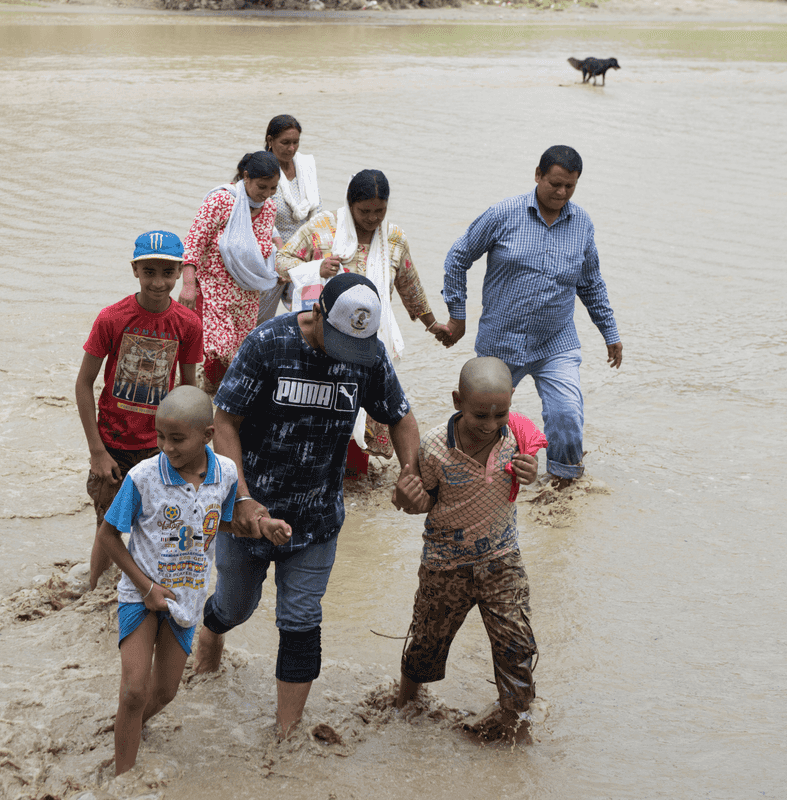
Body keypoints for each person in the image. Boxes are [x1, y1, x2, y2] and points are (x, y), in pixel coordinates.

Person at [192, 272, 423, 738]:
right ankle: (211, 637)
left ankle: (285, 735)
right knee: (235, 606)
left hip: (316, 519)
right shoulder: (268, 344)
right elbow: (224, 420)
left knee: (301, 618)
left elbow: (400, 416)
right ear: (317, 312)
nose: (345, 357)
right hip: (249, 514)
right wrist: (241, 498)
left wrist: (409, 472)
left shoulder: (369, 356)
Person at [90, 385, 292, 775]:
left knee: (165, 692)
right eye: (160, 436)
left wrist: (264, 527)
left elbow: (224, 522)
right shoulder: (143, 477)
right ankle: (121, 778)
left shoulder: (226, 474)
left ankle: (126, 729)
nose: (166, 446)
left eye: (177, 439)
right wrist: (147, 588)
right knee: (135, 690)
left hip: (187, 596)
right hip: (141, 592)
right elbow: (107, 536)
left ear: (208, 435)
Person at [440, 145, 623, 490]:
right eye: (555, 183)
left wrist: (610, 333)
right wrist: (458, 316)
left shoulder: (581, 223)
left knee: (566, 413)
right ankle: (471, 480)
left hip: (555, 342)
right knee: (482, 419)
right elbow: (458, 257)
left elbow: (591, 283)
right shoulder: (503, 214)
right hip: (501, 342)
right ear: (537, 175)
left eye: (570, 186)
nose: (561, 192)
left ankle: (562, 488)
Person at [393, 357, 546, 742]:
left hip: (501, 559)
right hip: (446, 564)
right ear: (458, 401)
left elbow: (531, 467)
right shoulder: (432, 447)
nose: (492, 425)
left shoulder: (518, 437)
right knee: (427, 640)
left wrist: (531, 473)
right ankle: (405, 704)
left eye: (501, 414)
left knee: (516, 643)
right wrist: (407, 498)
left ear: (512, 399)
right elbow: (423, 502)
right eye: (480, 415)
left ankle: (516, 721)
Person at [278, 169, 450, 472]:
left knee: (362, 403)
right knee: (323, 402)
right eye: (365, 211)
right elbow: (282, 260)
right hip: (325, 338)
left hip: (369, 341)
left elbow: (410, 285)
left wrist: (432, 324)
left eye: (380, 211)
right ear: (349, 204)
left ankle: (354, 472)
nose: (372, 218)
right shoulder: (322, 228)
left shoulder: (394, 239)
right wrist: (318, 267)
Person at [77, 231, 202, 582]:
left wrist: (189, 449)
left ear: (179, 272)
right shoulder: (112, 318)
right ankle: (94, 594)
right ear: (135, 270)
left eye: (167, 273)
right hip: (113, 447)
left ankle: (140, 590)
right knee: (107, 528)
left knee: (159, 528)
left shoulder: (188, 325)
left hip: (161, 448)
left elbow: (188, 387)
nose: (158, 282)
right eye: (149, 272)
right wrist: (96, 451)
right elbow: (84, 384)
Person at [179, 151, 281, 394]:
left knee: (239, 350)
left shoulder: (269, 209)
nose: (266, 194)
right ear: (246, 177)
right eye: (262, 187)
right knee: (218, 347)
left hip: (247, 292)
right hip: (214, 287)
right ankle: (204, 389)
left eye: (273, 188)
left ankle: (216, 392)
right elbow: (194, 241)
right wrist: (188, 283)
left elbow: (261, 249)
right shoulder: (222, 201)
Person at [258, 114, 324, 322]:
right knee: (259, 320)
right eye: (285, 143)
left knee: (309, 317)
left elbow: (317, 212)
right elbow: (256, 217)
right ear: (270, 141)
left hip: (305, 259)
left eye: (295, 142)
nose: (291, 149)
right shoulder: (261, 171)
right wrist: (280, 255)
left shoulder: (305, 168)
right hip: (269, 260)